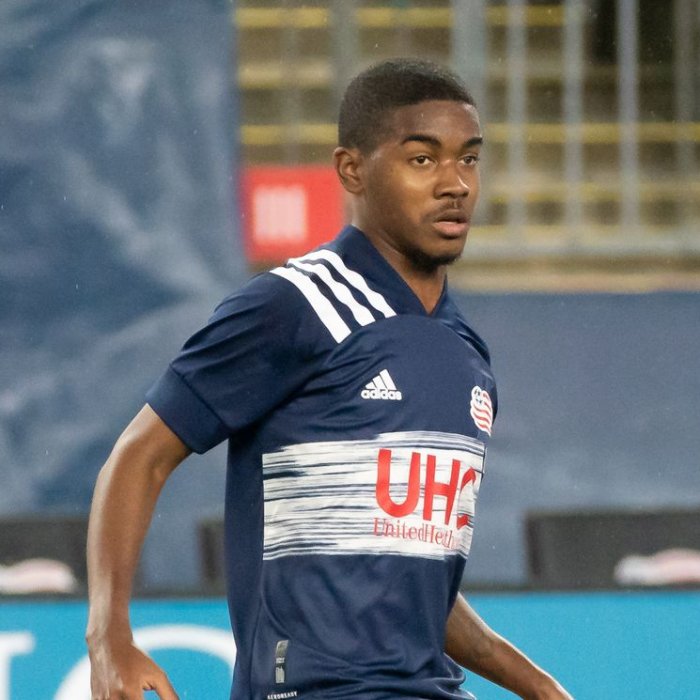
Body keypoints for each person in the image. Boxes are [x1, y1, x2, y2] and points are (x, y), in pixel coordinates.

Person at [86, 58, 573, 700]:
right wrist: (109, 637)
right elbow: (139, 456)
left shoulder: (465, 353)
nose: (454, 183)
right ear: (352, 170)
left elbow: (407, 580)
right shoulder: (292, 305)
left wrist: (540, 687)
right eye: (422, 159)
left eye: (469, 159)